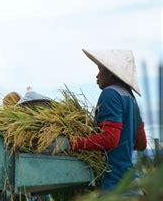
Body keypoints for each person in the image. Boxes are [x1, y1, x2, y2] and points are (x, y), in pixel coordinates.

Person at [52, 49, 147, 191]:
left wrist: (70, 144)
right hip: (132, 183)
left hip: (115, 186)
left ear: (111, 72)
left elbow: (110, 138)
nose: (97, 75)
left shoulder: (110, 94)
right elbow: (141, 144)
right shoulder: (131, 98)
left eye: (100, 69)